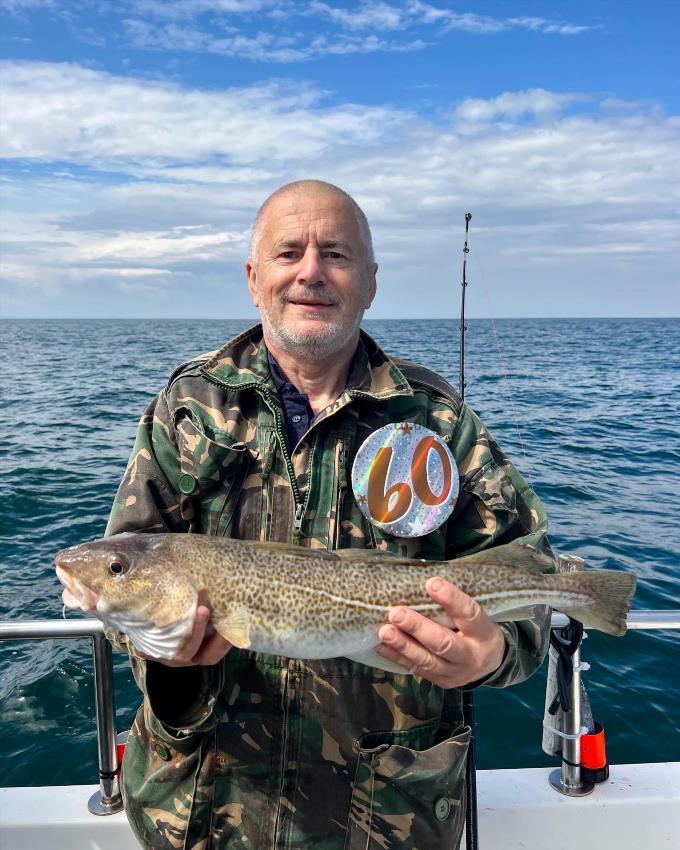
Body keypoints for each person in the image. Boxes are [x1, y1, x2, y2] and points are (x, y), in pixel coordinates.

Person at [105, 179, 554, 850]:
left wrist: (488, 656)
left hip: (386, 816)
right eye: (289, 252)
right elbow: (126, 581)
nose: (310, 271)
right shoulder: (185, 409)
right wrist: (167, 658)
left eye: (336, 254)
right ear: (254, 278)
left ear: (370, 282)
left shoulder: (439, 422)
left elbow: (533, 587)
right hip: (206, 811)